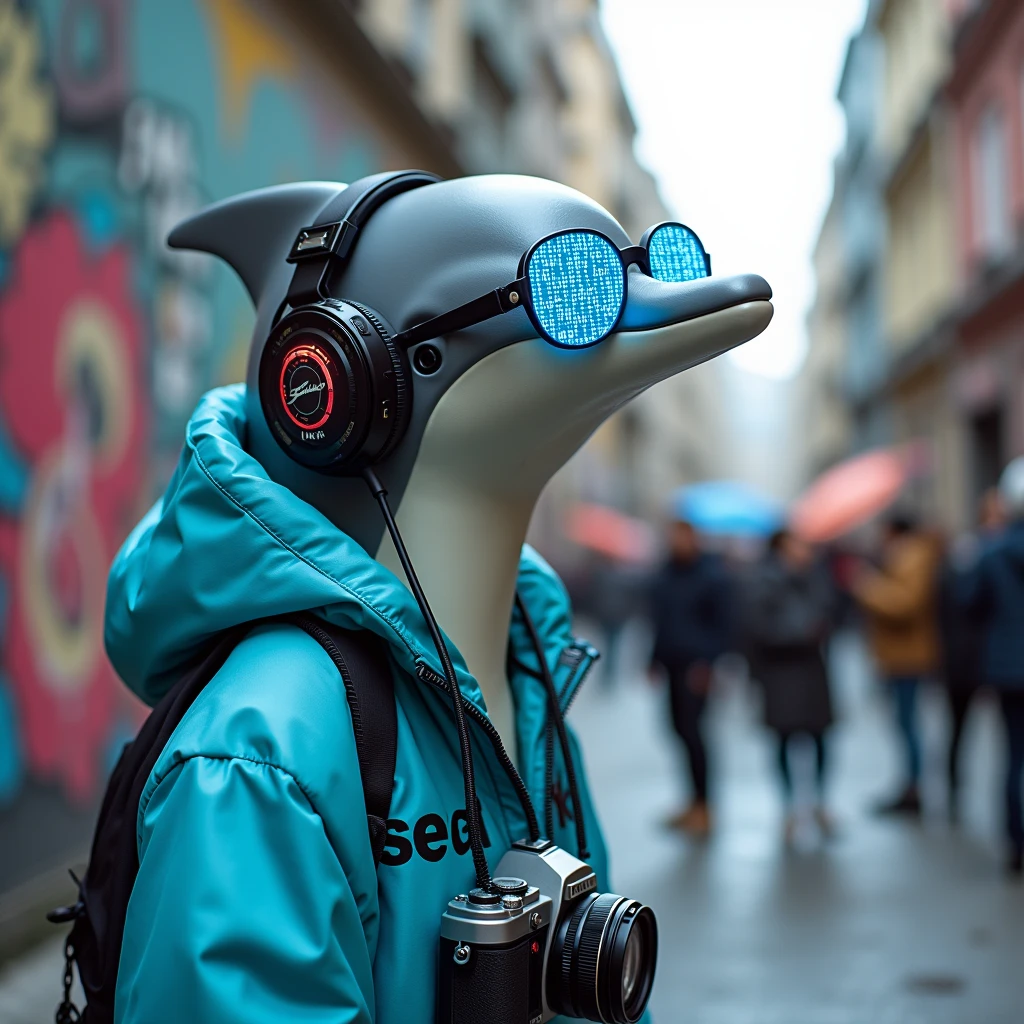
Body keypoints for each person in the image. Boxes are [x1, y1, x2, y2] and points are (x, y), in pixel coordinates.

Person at [745, 528, 834, 839]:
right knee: (783, 740)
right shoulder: (765, 580)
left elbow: (832, 611)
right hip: (781, 672)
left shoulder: (815, 576)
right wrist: (801, 633)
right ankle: (789, 808)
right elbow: (759, 627)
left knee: (820, 738)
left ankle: (819, 803)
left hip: (811, 670)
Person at [649, 519, 733, 835]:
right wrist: (653, 660)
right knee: (677, 731)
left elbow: (725, 625)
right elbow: (660, 621)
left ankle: (705, 804)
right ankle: (691, 800)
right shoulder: (666, 574)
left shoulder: (712, 576)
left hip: (697, 668)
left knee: (696, 735)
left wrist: (709, 663)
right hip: (671, 664)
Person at [852, 513, 940, 815]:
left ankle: (913, 788)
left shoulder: (913, 556)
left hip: (908, 657)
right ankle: (909, 785)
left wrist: (868, 586)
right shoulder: (903, 555)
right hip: (898, 655)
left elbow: (905, 604)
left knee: (907, 723)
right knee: (902, 723)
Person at [961, 459, 1024, 877]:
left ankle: (1016, 844)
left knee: (1013, 757)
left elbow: (969, 605)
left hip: (1008, 667)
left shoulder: (992, 551)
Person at [938, 488, 1005, 821]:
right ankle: (953, 790)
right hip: (966, 659)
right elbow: (956, 603)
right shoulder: (970, 553)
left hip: (1000, 658)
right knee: (959, 729)